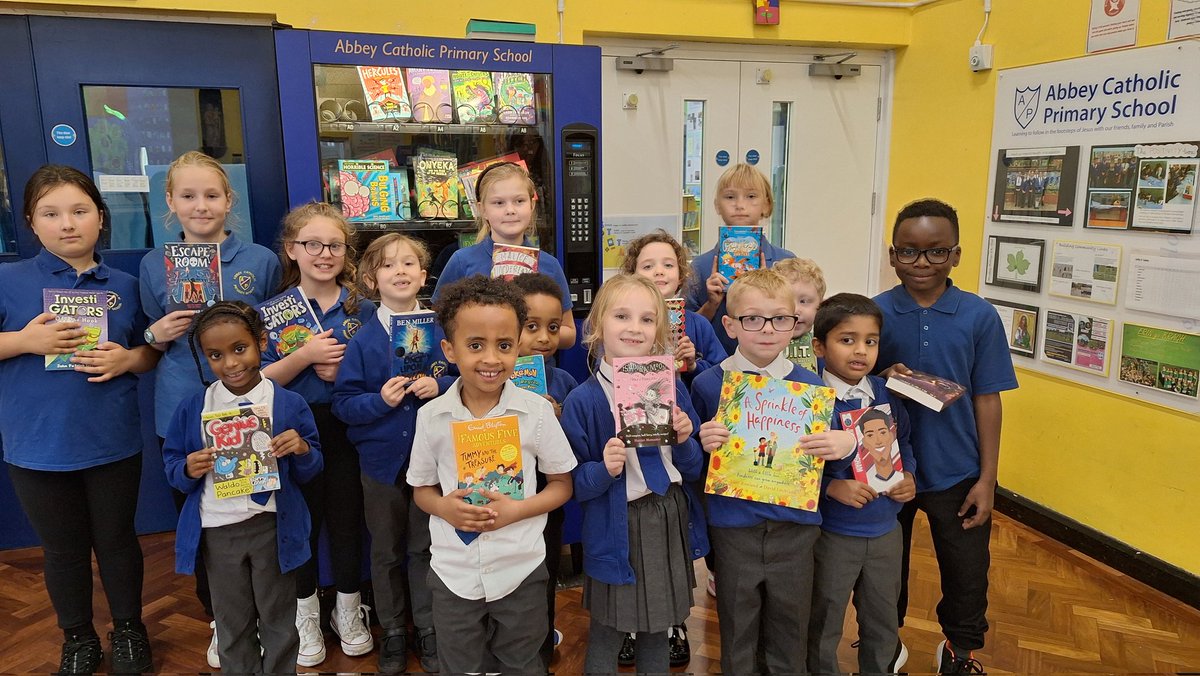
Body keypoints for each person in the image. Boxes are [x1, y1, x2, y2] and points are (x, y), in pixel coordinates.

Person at [0, 165, 160, 674]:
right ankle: (77, 636)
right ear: (31, 221)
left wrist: (127, 360)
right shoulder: (8, 281)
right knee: (63, 549)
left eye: (79, 211)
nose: (67, 223)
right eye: (51, 213)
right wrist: (27, 341)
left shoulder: (128, 285)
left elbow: (149, 351)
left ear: (100, 217)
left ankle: (130, 629)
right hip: (36, 445)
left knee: (116, 542)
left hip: (111, 439)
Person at [137, 150, 280, 668]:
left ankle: (271, 615)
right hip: (182, 407)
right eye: (189, 196)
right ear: (171, 204)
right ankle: (222, 617)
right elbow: (147, 338)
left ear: (229, 201)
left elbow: (274, 336)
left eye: (212, 195)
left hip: (252, 406)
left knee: (260, 513)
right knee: (201, 517)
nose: (202, 206)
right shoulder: (155, 264)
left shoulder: (260, 260)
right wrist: (158, 332)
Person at [875, 199, 1018, 673]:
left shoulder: (978, 316)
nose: (921, 263)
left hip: (958, 471)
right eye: (909, 252)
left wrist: (988, 479)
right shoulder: (873, 314)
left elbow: (988, 399)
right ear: (892, 255)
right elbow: (849, 384)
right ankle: (883, 643)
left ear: (956, 255)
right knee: (882, 570)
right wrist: (881, 375)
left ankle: (960, 651)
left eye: (936, 252)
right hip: (887, 469)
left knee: (966, 571)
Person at [690, 268, 856, 674]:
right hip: (734, 529)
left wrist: (846, 444)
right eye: (752, 319)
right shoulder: (710, 385)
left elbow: (834, 455)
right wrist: (700, 442)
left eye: (780, 319)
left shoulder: (811, 388)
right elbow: (692, 465)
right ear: (730, 325)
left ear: (795, 324)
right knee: (737, 626)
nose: (767, 330)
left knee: (789, 628)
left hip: (795, 529)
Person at [408, 275, 576, 674]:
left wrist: (517, 511)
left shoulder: (535, 412)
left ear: (517, 346)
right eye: (475, 345)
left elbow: (562, 484)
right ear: (449, 349)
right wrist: (445, 509)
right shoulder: (431, 417)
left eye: (504, 346)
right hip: (453, 572)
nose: (490, 359)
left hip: (521, 568)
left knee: (522, 662)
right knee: (459, 665)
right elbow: (421, 489)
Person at [162, 301, 322, 674]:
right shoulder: (194, 407)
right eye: (216, 355)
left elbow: (314, 467)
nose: (231, 363)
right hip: (218, 529)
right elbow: (171, 466)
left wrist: (300, 448)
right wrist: (187, 467)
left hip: (272, 528)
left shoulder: (288, 403)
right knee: (231, 620)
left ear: (261, 342)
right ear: (204, 356)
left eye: (239, 349)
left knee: (279, 618)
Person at [561, 273, 707, 674]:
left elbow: (693, 469)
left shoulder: (672, 387)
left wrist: (684, 439)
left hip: (667, 515)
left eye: (646, 319)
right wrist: (604, 470)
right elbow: (575, 484)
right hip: (615, 523)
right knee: (608, 628)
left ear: (660, 329)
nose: (634, 328)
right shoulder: (583, 400)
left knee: (658, 627)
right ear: (597, 326)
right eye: (622, 316)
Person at [259, 202, 375, 667]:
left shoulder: (364, 308)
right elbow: (258, 381)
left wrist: (348, 370)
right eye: (312, 244)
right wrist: (304, 356)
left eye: (334, 245)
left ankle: (348, 609)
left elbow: (381, 372)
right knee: (298, 523)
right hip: (291, 429)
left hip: (348, 427)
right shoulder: (273, 311)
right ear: (292, 249)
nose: (324, 253)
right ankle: (305, 612)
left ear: (346, 251)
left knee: (347, 519)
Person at [331, 233, 451, 673]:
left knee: (426, 547)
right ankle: (394, 630)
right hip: (381, 465)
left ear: (423, 275)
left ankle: (428, 626)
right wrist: (380, 400)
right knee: (385, 550)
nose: (399, 271)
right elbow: (344, 404)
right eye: (387, 265)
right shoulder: (363, 341)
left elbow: (467, 377)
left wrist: (442, 384)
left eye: (408, 264)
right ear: (371, 280)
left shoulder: (441, 330)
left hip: (434, 463)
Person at [806, 293, 917, 674]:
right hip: (833, 534)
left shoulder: (888, 394)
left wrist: (909, 477)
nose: (861, 350)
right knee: (825, 615)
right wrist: (830, 488)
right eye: (847, 339)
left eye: (870, 341)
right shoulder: (810, 399)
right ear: (819, 346)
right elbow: (793, 465)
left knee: (883, 615)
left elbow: (906, 446)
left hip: (887, 530)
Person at [510, 272, 580, 666]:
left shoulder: (564, 380)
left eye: (552, 328)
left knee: (545, 572)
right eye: (531, 326)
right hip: (502, 496)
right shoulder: (489, 378)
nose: (543, 338)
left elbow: (575, 447)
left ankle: (541, 643)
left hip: (548, 498)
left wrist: (559, 416)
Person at [431, 162, 576, 350]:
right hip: (477, 372)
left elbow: (569, 332)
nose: (510, 210)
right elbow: (437, 325)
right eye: (499, 203)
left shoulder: (550, 265)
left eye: (519, 201)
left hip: (534, 375)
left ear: (532, 205)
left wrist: (537, 330)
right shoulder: (462, 261)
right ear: (482, 209)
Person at [686, 163, 796, 354]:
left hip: (773, 368)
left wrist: (771, 287)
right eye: (730, 197)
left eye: (751, 196)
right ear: (717, 205)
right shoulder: (700, 266)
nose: (740, 205)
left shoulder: (785, 262)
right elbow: (684, 329)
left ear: (767, 204)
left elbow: (801, 318)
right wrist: (711, 304)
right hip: (715, 365)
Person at [623, 230, 728, 388]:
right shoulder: (623, 324)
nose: (659, 271)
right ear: (632, 275)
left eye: (668, 265)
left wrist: (693, 366)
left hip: (687, 408)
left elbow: (722, 374)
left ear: (681, 275)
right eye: (648, 266)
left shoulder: (699, 325)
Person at [772, 257, 826, 371]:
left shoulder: (828, 349)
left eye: (804, 301)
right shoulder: (760, 343)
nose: (795, 310)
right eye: (786, 301)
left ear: (820, 306)